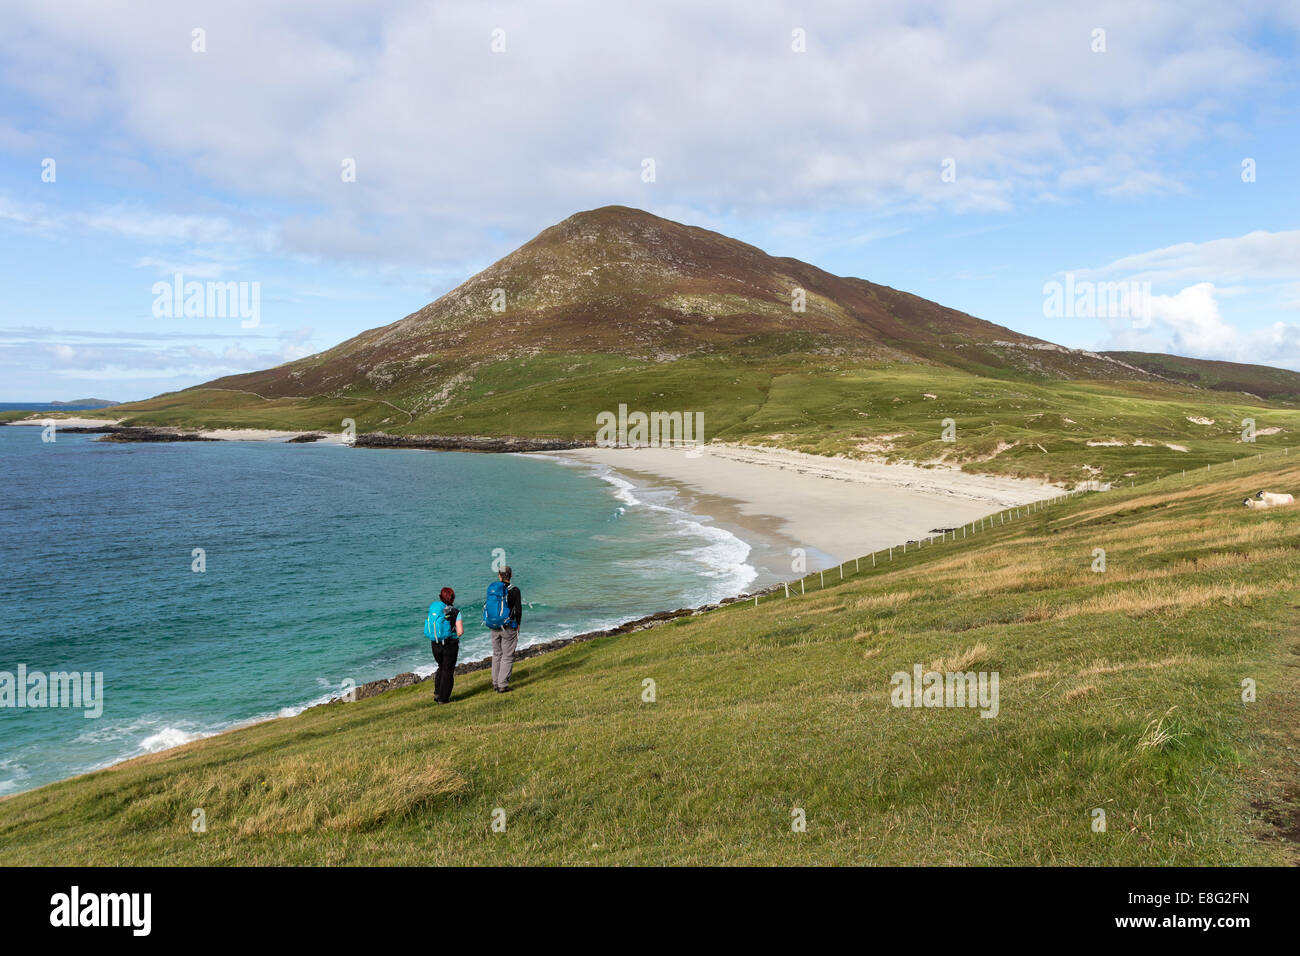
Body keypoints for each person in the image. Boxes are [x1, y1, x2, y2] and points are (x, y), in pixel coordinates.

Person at [484, 566, 523, 693]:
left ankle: (495, 683)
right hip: (508, 627)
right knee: (507, 656)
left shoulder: (494, 589)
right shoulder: (515, 590)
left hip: (494, 626)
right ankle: (502, 685)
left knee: (496, 654)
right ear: (510, 575)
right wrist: (518, 624)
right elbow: (518, 610)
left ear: (499, 576)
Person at [425, 586, 464, 703]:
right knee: (448, 671)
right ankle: (443, 699)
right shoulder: (456, 612)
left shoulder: (434, 608)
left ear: (440, 597)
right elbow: (460, 632)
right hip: (449, 644)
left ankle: (437, 693)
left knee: (441, 667)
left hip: (435, 643)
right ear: (452, 599)